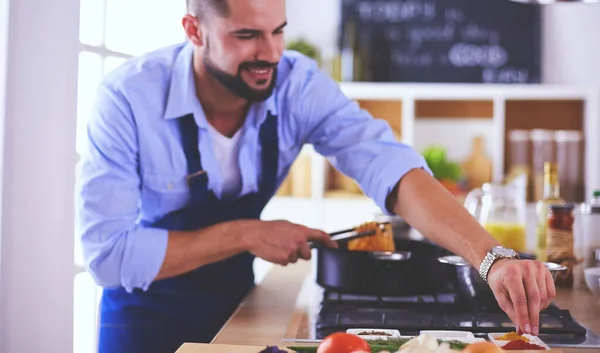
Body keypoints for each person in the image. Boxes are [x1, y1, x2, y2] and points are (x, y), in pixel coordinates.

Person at [74, 0, 556, 352]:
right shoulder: (127, 100)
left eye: (278, 31)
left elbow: (390, 167)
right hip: (142, 317)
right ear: (194, 30)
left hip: (238, 301)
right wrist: (246, 233)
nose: (270, 53)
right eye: (247, 36)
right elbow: (108, 257)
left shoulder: (296, 85)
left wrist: (492, 257)